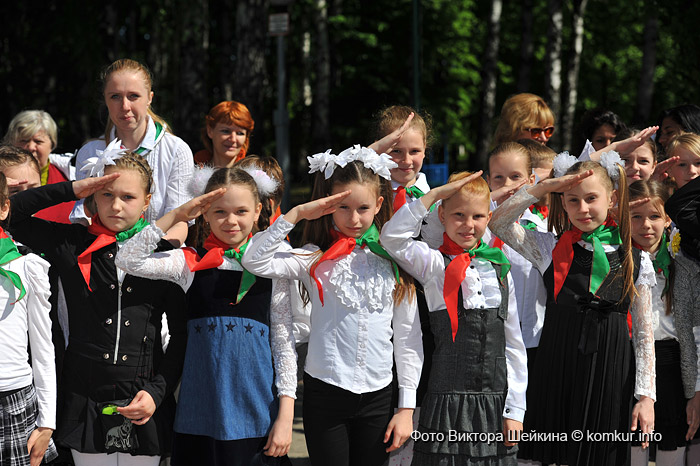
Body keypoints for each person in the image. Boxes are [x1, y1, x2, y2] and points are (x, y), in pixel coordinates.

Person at [241, 147, 423, 466]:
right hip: (324, 393)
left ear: (379, 204)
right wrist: (296, 215)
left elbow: (408, 339)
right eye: (342, 207)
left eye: (363, 208)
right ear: (328, 206)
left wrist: (406, 407)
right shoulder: (313, 256)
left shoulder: (396, 261)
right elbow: (253, 259)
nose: (354, 218)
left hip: (380, 395)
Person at [9, 151, 187, 465]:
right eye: (106, 194)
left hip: (143, 397)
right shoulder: (69, 241)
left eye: (128, 197)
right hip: (84, 397)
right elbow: (13, 215)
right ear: (94, 194)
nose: (116, 205)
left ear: (146, 201)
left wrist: (158, 392)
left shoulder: (164, 255)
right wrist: (73, 188)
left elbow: (181, 336)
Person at [116, 166, 297, 466]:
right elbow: (127, 259)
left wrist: (286, 417)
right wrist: (177, 215)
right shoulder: (190, 263)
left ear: (257, 212)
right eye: (220, 212)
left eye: (241, 211)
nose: (231, 221)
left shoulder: (275, 268)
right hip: (200, 418)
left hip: (259, 417)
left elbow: (283, 343)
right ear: (205, 213)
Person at [489, 154, 657, 465]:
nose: (582, 209)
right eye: (572, 200)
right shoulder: (548, 248)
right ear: (562, 203)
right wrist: (544, 186)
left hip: (612, 368)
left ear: (613, 198)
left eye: (591, 198)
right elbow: (498, 222)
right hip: (558, 361)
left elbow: (645, 336)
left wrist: (646, 396)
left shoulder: (636, 258)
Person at [380, 170, 527, 465]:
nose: (468, 225)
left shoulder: (500, 268)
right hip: (446, 403)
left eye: (478, 216)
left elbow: (514, 345)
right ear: (442, 215)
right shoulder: (433, 263)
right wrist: (432, 196)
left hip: (496, 404)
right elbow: (392, 238)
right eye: (459, 214)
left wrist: (515, 410)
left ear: (488, 218)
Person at [368, 106, 432, 466]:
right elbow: (338, 170)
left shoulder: (434, 197)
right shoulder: (369, 189)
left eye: (415, 151)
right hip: (375, 301)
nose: (406, 160)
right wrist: (375, 151)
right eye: (395, 150)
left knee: (415, 395)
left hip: (419, 306)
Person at [70, 58, 193, 246]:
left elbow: (180, 220)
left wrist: (147, 255)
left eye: (133, 96)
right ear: (105, 99)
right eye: (115, 97)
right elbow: (83, 214)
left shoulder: (176, 150)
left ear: (150, 98)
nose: (125, 106)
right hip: (102, 257)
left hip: (159, 255)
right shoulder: (90, 152)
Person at [628, 180, 696, 465]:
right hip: (628, 367)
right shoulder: (617, 262)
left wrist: (695, 390)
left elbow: (694, 331)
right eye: (636, 216)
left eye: (655, 216)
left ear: (668, 219)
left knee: (672, 453)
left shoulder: (684, 264)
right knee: (633, 451)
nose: (646, 225)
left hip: (673, 368)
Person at [0, 171, 59, 466]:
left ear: (4, 208)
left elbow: (43, 347)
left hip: (14, 402)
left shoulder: (27, 266)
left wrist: (47, 422)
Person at [3, 110, 76, 223]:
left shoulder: (71, 177)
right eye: (24, 140)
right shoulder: (2, 178)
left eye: (38, 141)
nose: (31, 147)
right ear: (11, 143)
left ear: (52, 144)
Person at [194, 101, 254, 167]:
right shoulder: (189, 173)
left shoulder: (255, 175)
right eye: (226, 131)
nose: (233, 139)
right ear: (210, 131)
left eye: (240, 133)